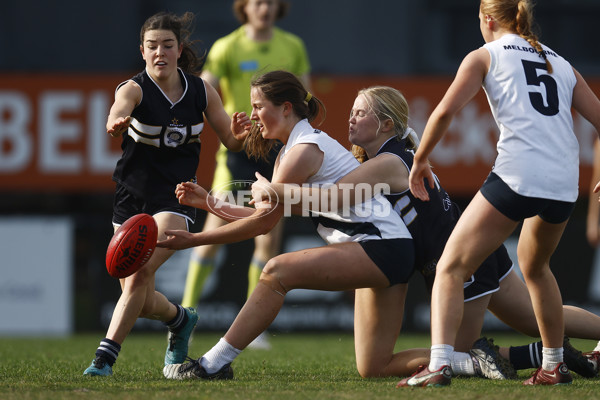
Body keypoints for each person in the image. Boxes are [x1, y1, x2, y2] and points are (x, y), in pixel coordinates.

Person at [251, 85, 600, 379]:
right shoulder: (391, 158)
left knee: (456, 354)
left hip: (462, 260)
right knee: (531, 317)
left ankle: (534, 355)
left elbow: (331, 197)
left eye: (361, 113)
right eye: (352, 112)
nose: (351, 118)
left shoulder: (388, 163)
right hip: (476, 248)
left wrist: (274, 190)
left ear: (386, 123)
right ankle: (545, 351)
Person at [157, 69, 447, 380]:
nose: (253, 114)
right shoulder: (291, 152)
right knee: (374, 367)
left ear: (285, 108)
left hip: (382, 247)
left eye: (258, 106)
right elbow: (266, 218)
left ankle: (211, 364)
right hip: (389, 248)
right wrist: (211, 204)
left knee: (275, 273)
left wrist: (195, 239)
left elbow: (262, 224)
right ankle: (463, 358)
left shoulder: (302, 151)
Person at [398, 0, 600, 387]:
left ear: (487, 19)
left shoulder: (484, 56)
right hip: (563, 183)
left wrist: (420, 159)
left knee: (452, 268)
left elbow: (443, 113)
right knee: (537, 268)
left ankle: (439, 364)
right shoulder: (559, 61)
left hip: (519, 174)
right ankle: (553, 365)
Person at [82, 11, 247, 376]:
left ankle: (104, 359)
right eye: (152, 46)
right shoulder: (133, 89)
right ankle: (180, 319)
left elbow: (232, 142)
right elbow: (116, 112)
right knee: (139, 299)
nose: (160, 52)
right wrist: (115, 123)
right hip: (130, 198)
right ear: (142, 51)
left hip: (178, 198)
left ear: (179, 49)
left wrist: (241, 132)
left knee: (139, 274)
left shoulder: (202, 90)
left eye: (167, 46)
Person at [182, 0, 311, 350]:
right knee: (214, 230)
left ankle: (254, 327)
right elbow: (204, 88)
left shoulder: (293, 46)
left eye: (271, 2)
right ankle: (186, 316)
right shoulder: (227, 46)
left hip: (278, 150)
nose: (265, 8)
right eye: (257, 2)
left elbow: (305, 97)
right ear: (244, 7)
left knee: (267, 239)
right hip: (240, 150)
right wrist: (226, 123)